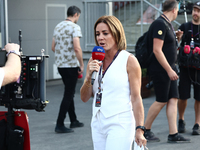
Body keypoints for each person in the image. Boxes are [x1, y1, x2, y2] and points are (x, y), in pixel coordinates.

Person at [80, 15, 146, 150]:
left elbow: (136, 98)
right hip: (97, 122)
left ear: (116, 34)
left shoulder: (129, 60)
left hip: (120, 122)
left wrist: (140, 128)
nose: (100, 38)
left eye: (105, 33)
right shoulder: (94, 60)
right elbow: (84, 97)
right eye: (98, 34)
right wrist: (88, 77)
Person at [143, 0, 190, 143]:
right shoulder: (159, 24)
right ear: (175, 10)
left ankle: (173, 133)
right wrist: (169, 70)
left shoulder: (167, 24)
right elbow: (157, 50)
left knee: (173, 99)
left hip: (169, 69)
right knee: (161, 100)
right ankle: (145, 130)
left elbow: (166, 48)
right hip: (161, 70)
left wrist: (177, 38)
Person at [51, 5, 84, 133]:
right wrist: (81, 64)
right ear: (76, 14)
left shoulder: (58, 26)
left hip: (60, 65)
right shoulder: (75, 27)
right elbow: (77, 48)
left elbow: (53, 47)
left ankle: (73, 120)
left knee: (68, 92)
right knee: (69, 94)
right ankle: (59, 123)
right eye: (78, 16)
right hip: (71, 66)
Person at [178, 1, 200, 135]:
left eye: (198, 11)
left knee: (199, 97)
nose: (196, 13)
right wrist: (178, 37)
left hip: (199, 68)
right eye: (194, 10)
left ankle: (197, 123)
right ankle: (181, 120)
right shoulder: (184, 26)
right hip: (185, 67)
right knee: (183, 96)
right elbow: (176, 43)